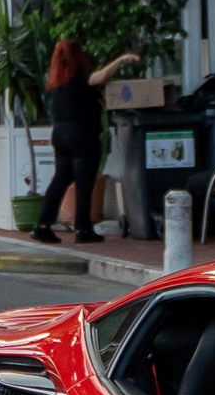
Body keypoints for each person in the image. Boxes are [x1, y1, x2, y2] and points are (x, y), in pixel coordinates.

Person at [31, 39, 138, 245]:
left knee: (60, 179)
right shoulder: (81, 76)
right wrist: (121, 60)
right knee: (84, 182)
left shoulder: (57, 82)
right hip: (82, 134)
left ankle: (42, 225)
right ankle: (83, 229)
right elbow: (101, 76)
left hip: (60, 133)